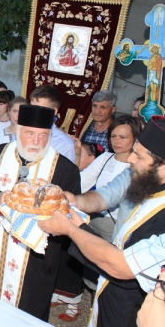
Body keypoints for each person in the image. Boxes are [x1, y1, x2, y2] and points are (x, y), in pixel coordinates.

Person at [38, 116, 165, 327]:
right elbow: (105, 196)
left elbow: (121, 266)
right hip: (113, 291)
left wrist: (70, 229)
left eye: (139, 156)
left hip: (138, 306)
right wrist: (75, 201)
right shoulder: (142, 177)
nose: (131, 159)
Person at [0, 104, 81, 321]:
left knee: (26, 315)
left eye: (43, 135)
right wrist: (0, 198)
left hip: (35, 260)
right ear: (18, 130)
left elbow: (69, 214)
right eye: (30, 134)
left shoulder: (65, 169)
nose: (36, 142)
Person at [52, 115, 143, 321]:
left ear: (136, 139)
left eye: (123, 137)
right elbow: (97, 191)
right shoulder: (106, 158)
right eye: (113, 136)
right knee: (94, 274)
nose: (117, 141)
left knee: (112, 278)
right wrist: (73, 198)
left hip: (117, 229)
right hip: (95, 222)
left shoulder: (139, 169)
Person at [29, 85, 76, 163]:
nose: (34, 112)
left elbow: (66, 173)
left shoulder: (65, 144)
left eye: (40, 109)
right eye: (32, 107)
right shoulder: (20, 134)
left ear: (54, 111)